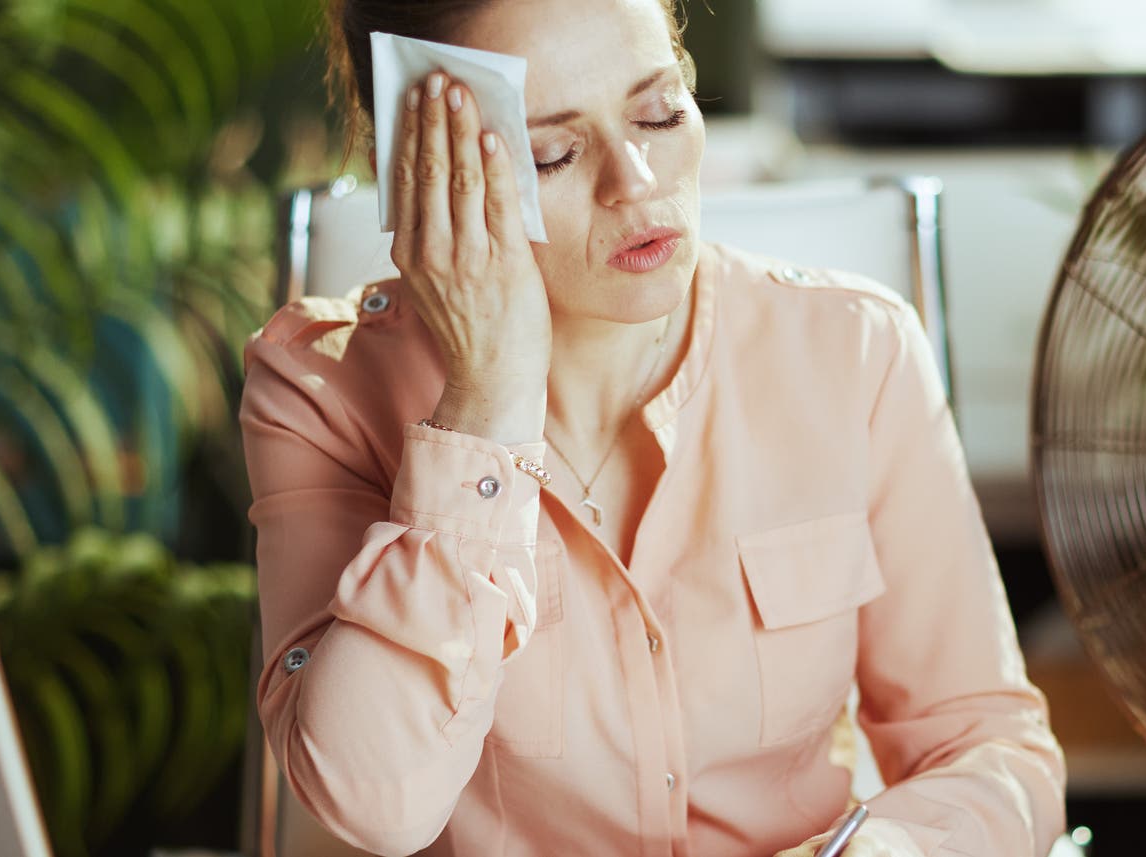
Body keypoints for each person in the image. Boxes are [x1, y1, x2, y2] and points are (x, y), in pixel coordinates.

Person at [238, 0, 1067, 853]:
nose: (635, 178)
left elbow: (990, 745)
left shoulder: (857, 352)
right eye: (553, 153)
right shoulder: (317, 391)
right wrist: (488, 403)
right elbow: (371, 801)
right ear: (426, 176)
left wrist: (899, 848)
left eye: (659, 111)